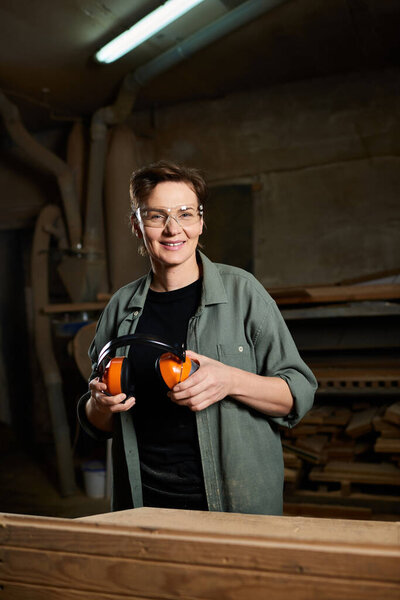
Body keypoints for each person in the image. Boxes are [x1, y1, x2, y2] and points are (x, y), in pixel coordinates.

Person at [78, 160, 317, 514]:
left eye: (186, 214)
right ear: (137, 225)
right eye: (157, 216)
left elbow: (298, 394)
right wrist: (98, 406)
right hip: (145, 504)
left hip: (236, 506)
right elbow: (98, 418)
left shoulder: (243, 293)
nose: (174, 229)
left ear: (201, 221)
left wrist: (230, 380)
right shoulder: (120, 307)